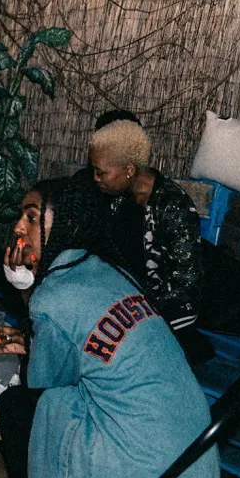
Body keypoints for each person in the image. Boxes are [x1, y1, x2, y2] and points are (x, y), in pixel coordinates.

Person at [0, 179, 220, 478]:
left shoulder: (52, 297)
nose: (19, 228)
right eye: (22, 216)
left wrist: (24, 289)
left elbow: (41, 385)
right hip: (197, 477)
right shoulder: (108, 270)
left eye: (32, 217)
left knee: (16, 407)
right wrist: (39, 336)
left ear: (67, 224)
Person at [86, 119, 212, 364]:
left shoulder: (172, 207)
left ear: (129, 170)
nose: (95, 178)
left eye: (101, 172)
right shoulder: (116, 200)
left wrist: (130, 312)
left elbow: (186, 285)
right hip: (125, 309)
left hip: (165, 318)